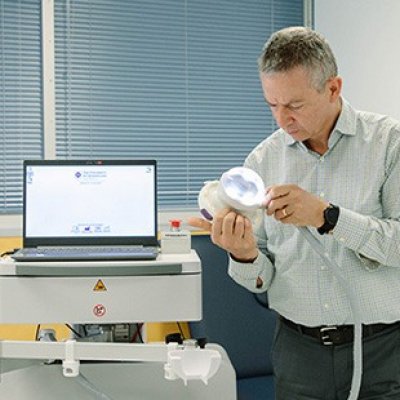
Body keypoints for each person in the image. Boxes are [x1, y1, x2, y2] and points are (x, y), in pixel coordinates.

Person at [188, 27, 400, 399]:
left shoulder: (389, 144)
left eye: (295, 105)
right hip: (299, 354)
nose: (282, 119)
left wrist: (327, 216)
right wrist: (243, 254)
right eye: (272, 105)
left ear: (333, 88)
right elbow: (263, 278)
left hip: (383, 350)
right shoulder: (263, 159)